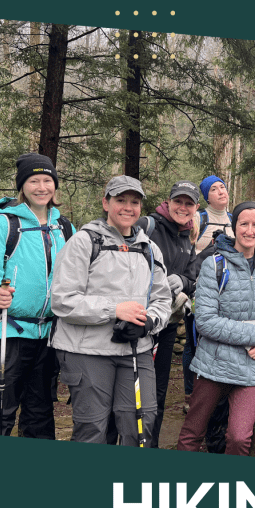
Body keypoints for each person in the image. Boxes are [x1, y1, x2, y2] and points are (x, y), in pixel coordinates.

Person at [49, 175, 171, 445]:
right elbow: (62, 299)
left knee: (140, 425)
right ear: (106, 203)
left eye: (134, 202)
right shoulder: (84, 242)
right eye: (121, 200)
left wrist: (148, 322)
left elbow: (163, 299)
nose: (128, 207)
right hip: (87, 352)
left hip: (135, 351)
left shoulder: (149, 248)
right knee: (93, 430)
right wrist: (115, 310)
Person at [0, 152, 74, 437]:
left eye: (47, 180)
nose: (41, 187)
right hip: (8, 332)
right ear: (22, 185)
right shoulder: (3, 225)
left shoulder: (64, 227)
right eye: (34, 180)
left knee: (40, 413)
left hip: (49, 335)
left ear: (55, 185)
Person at [177, 202, 255, 454]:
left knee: (239, 437)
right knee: (193, 431)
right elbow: (205, 321)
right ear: (234, 226)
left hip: (253, 366)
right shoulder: (214, 264)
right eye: (243, 224)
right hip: (215, 362)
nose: (250, 230)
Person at [140, 180, 199, 447]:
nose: (183, 207)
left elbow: (191, 273)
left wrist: (182, 282)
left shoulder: (187, 236)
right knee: (132, 392)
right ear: (169, 201)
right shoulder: (148, 226)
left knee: (159, 392)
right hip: (140, 323)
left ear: (196, 207)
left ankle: (150, 445)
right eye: (179, 201)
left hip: (166, 325)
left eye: (189, 203)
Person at [196, 175, 233, 252]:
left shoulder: (234, 219)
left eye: (222, 187)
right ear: (207, 197)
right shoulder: (198, 218)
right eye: (213, 189)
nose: (221, 192)